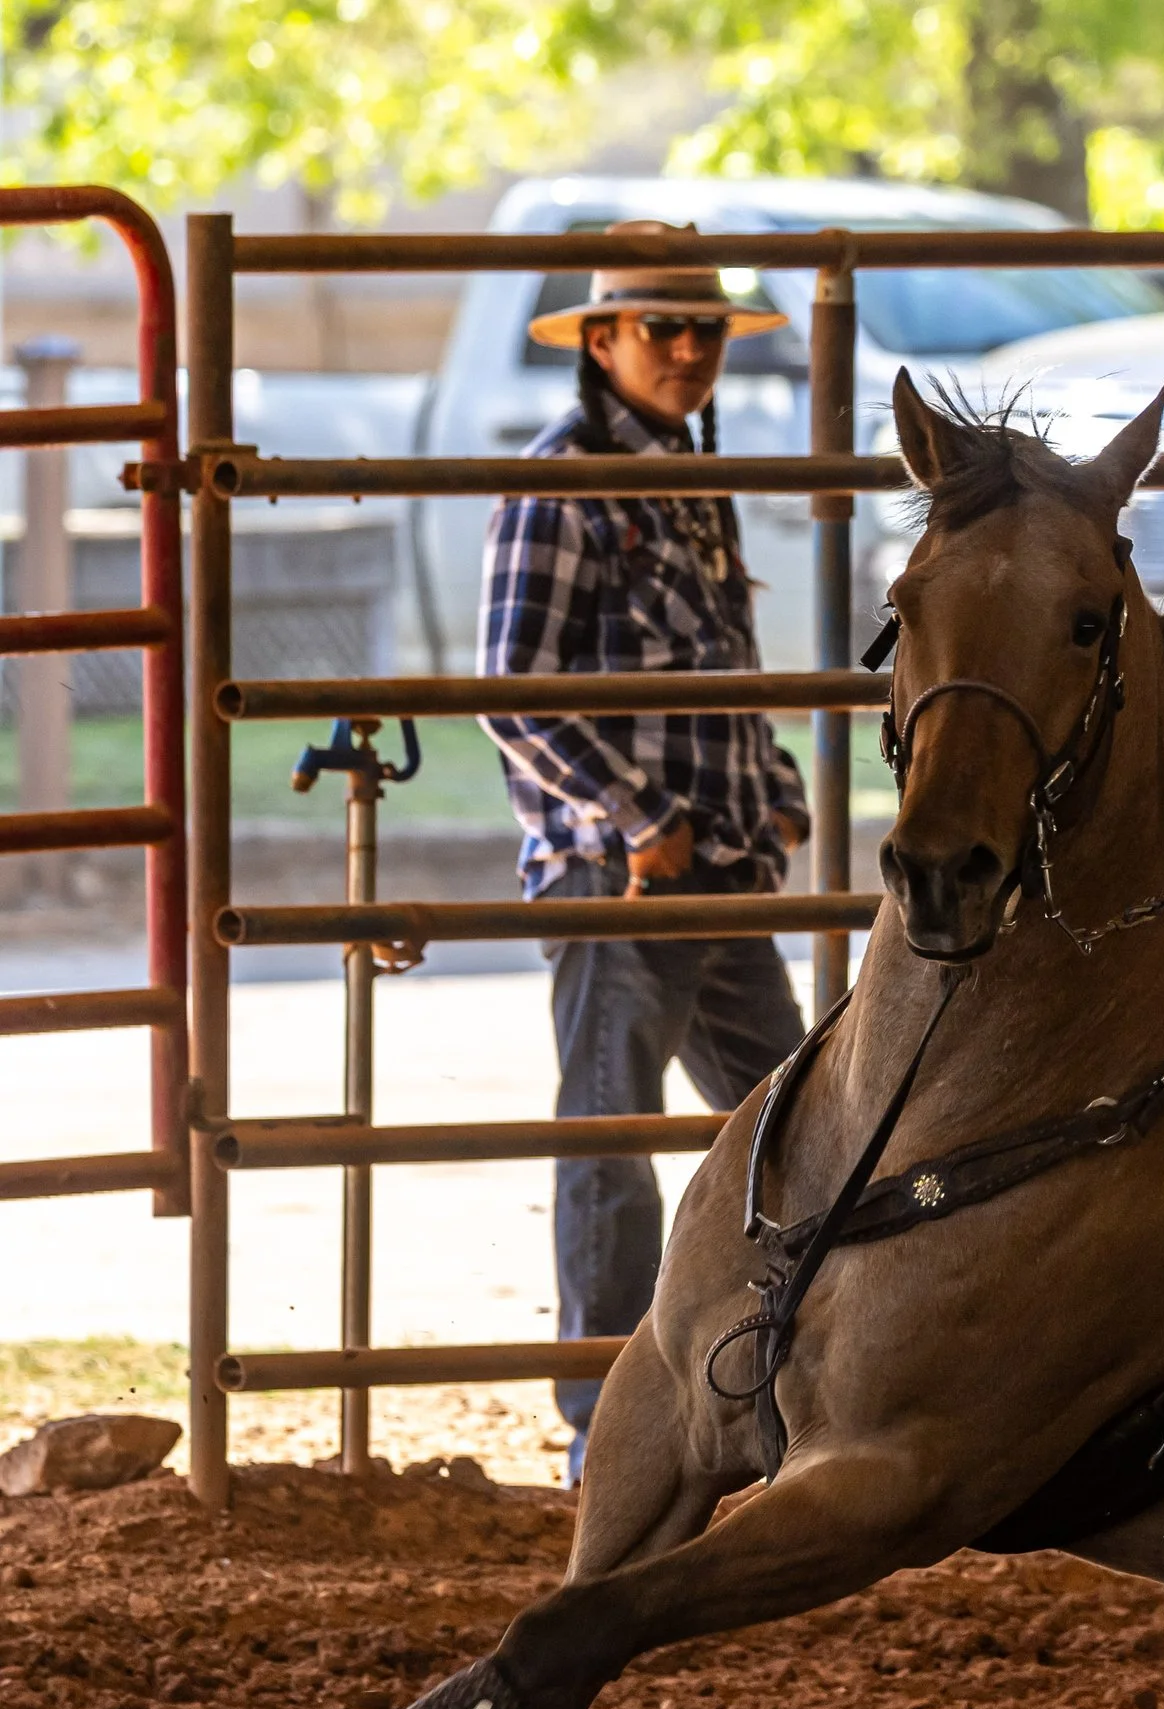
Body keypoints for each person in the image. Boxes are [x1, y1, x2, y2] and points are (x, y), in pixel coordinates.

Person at [479, 223, 813, 1486]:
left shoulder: (685, 473)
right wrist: (638, 821)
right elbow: (513, 688)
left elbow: (722, 665)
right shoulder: (563, 479)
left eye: (705, 329)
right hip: (624, 873)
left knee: (790, 1118)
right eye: (661, 329)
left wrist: (769, 791)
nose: (686, 351)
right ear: (603, 341)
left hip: (714, 863)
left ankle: (772, 1376)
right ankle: (595, 1423)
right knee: (615, 1128)